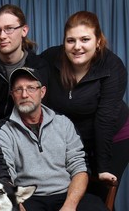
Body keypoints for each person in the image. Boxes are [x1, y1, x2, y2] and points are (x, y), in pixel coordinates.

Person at [0, 67, 108, 210]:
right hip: (28, 197)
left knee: (96, 207)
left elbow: (79, 168)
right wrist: (15, 204)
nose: (25, 94)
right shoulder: (4, 130)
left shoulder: (63, 123)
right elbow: (2, 174)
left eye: (31, 88)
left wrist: (70, 205)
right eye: (18, 90)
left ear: (42, 92)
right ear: (12, 95)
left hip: (65, 193)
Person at [40, 11, 129, 184]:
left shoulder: (113, 66)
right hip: (74, 141)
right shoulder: (50, 58)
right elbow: (25, 64)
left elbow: (106, 119)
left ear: (98, 42)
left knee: (100, 196)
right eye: (71, 40)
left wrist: (103, 168)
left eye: (85, 39)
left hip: (113, 136)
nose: (77, 46)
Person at [0, 4, 49, 132]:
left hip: (26, 141)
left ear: (24, 30)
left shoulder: (40, 67)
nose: (2, 36)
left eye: (9, 29)